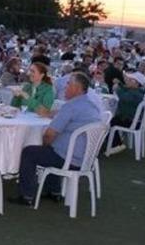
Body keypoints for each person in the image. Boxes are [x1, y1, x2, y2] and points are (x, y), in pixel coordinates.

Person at [12, 72, 102, 205]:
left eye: (68, 85)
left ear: (77, 88)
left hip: (69, 158)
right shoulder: (90, 105)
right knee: (52, 148)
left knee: (30, 152)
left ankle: (26, 196)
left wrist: (44, 143)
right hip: (86, 158)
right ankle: (54, 191)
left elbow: (49, 134)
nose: (65, 88)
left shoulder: (71, 106)